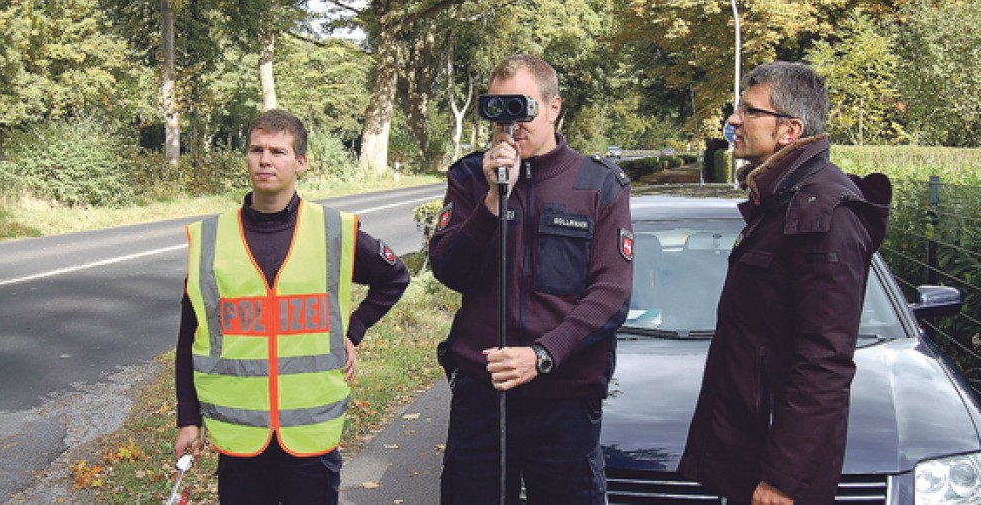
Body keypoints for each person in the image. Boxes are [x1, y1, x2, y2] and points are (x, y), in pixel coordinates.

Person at [678, 62, 892, 505]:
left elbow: (823, 363)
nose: (734, 120)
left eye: (749, 110)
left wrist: (784, 480)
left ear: (789, 130)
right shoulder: (779, 203)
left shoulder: (824, 216)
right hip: (749, 456)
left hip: (776, 476)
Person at [173, 109, 410, 504]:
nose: (265, 159)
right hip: (240, 438)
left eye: (278, 151)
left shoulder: (332, 230)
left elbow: (394, 277)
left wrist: (352, 332)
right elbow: (189, 337)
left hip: (310, 438)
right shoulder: (211, 239)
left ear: (301, 162)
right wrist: (187, 418)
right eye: (256, 149)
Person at [429, 53, 634, 504]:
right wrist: (490, 203)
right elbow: (449, 270)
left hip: (564, 398)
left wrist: (542, 354)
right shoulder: (469, 177)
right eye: (497, 109)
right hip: (484, 395)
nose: (510, 124)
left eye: (522, 108)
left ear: (554, 106)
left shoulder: (598, 185)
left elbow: (611, 294)